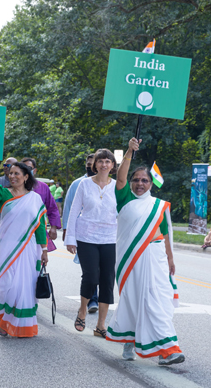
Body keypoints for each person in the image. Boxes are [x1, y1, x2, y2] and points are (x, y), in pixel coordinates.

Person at [106, 138, 185, 365]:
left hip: (156, 260)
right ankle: (130, 339)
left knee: (156, 302)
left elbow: (165, 234)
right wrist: (130, 151)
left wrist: (170, 259)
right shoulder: (124, 198)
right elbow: (120, 177)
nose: (140, 183)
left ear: (151, 184)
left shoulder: (159, 206)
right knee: (131, 300)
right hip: (130, 260)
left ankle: (167, 350)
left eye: (145, 180)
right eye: (136, 180)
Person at [0, 158, 48, 338]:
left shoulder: (34, 199)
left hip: (27, 249)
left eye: (16, 173)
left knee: (23, 286)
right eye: (10, 173)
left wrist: (43, 250)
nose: (12, 176)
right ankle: (3, 318)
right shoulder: (2, 193)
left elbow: (40, 226)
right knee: (6, 284)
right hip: (6, 248)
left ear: (26, 176)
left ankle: (20, 326)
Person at [64, 149, 117, 338]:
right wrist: (70, 238)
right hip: (86, 237)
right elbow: (73, 211)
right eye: (100, 161)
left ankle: (101, 325)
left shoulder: (117, 187)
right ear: (94, 164)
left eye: (107, 161)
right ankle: (82, 310)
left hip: (110, 238)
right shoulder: (84, 185)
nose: (104, 164)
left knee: (107, 280)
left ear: (112, 165)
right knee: (91, 277)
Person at [62, 153, 100, 313]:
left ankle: (95, 298)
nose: (90, 166)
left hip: (102, 234)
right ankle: (92, 300)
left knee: (99, 268)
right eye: (88, 163)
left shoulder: (108, 184)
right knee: (90, 269)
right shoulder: (77, 184)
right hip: (82, 234)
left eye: (93, 163)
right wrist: (66, 230)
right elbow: (68, 208)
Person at [21, 157, 61, 247]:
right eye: (23, 168)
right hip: (19, 232)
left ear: (34, 171)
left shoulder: (43, 187)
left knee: (39, 259)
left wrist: (53, 227)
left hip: (38, 230)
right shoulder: (14, 188)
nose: (26, 170)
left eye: (29, 168)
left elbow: (52, 208)